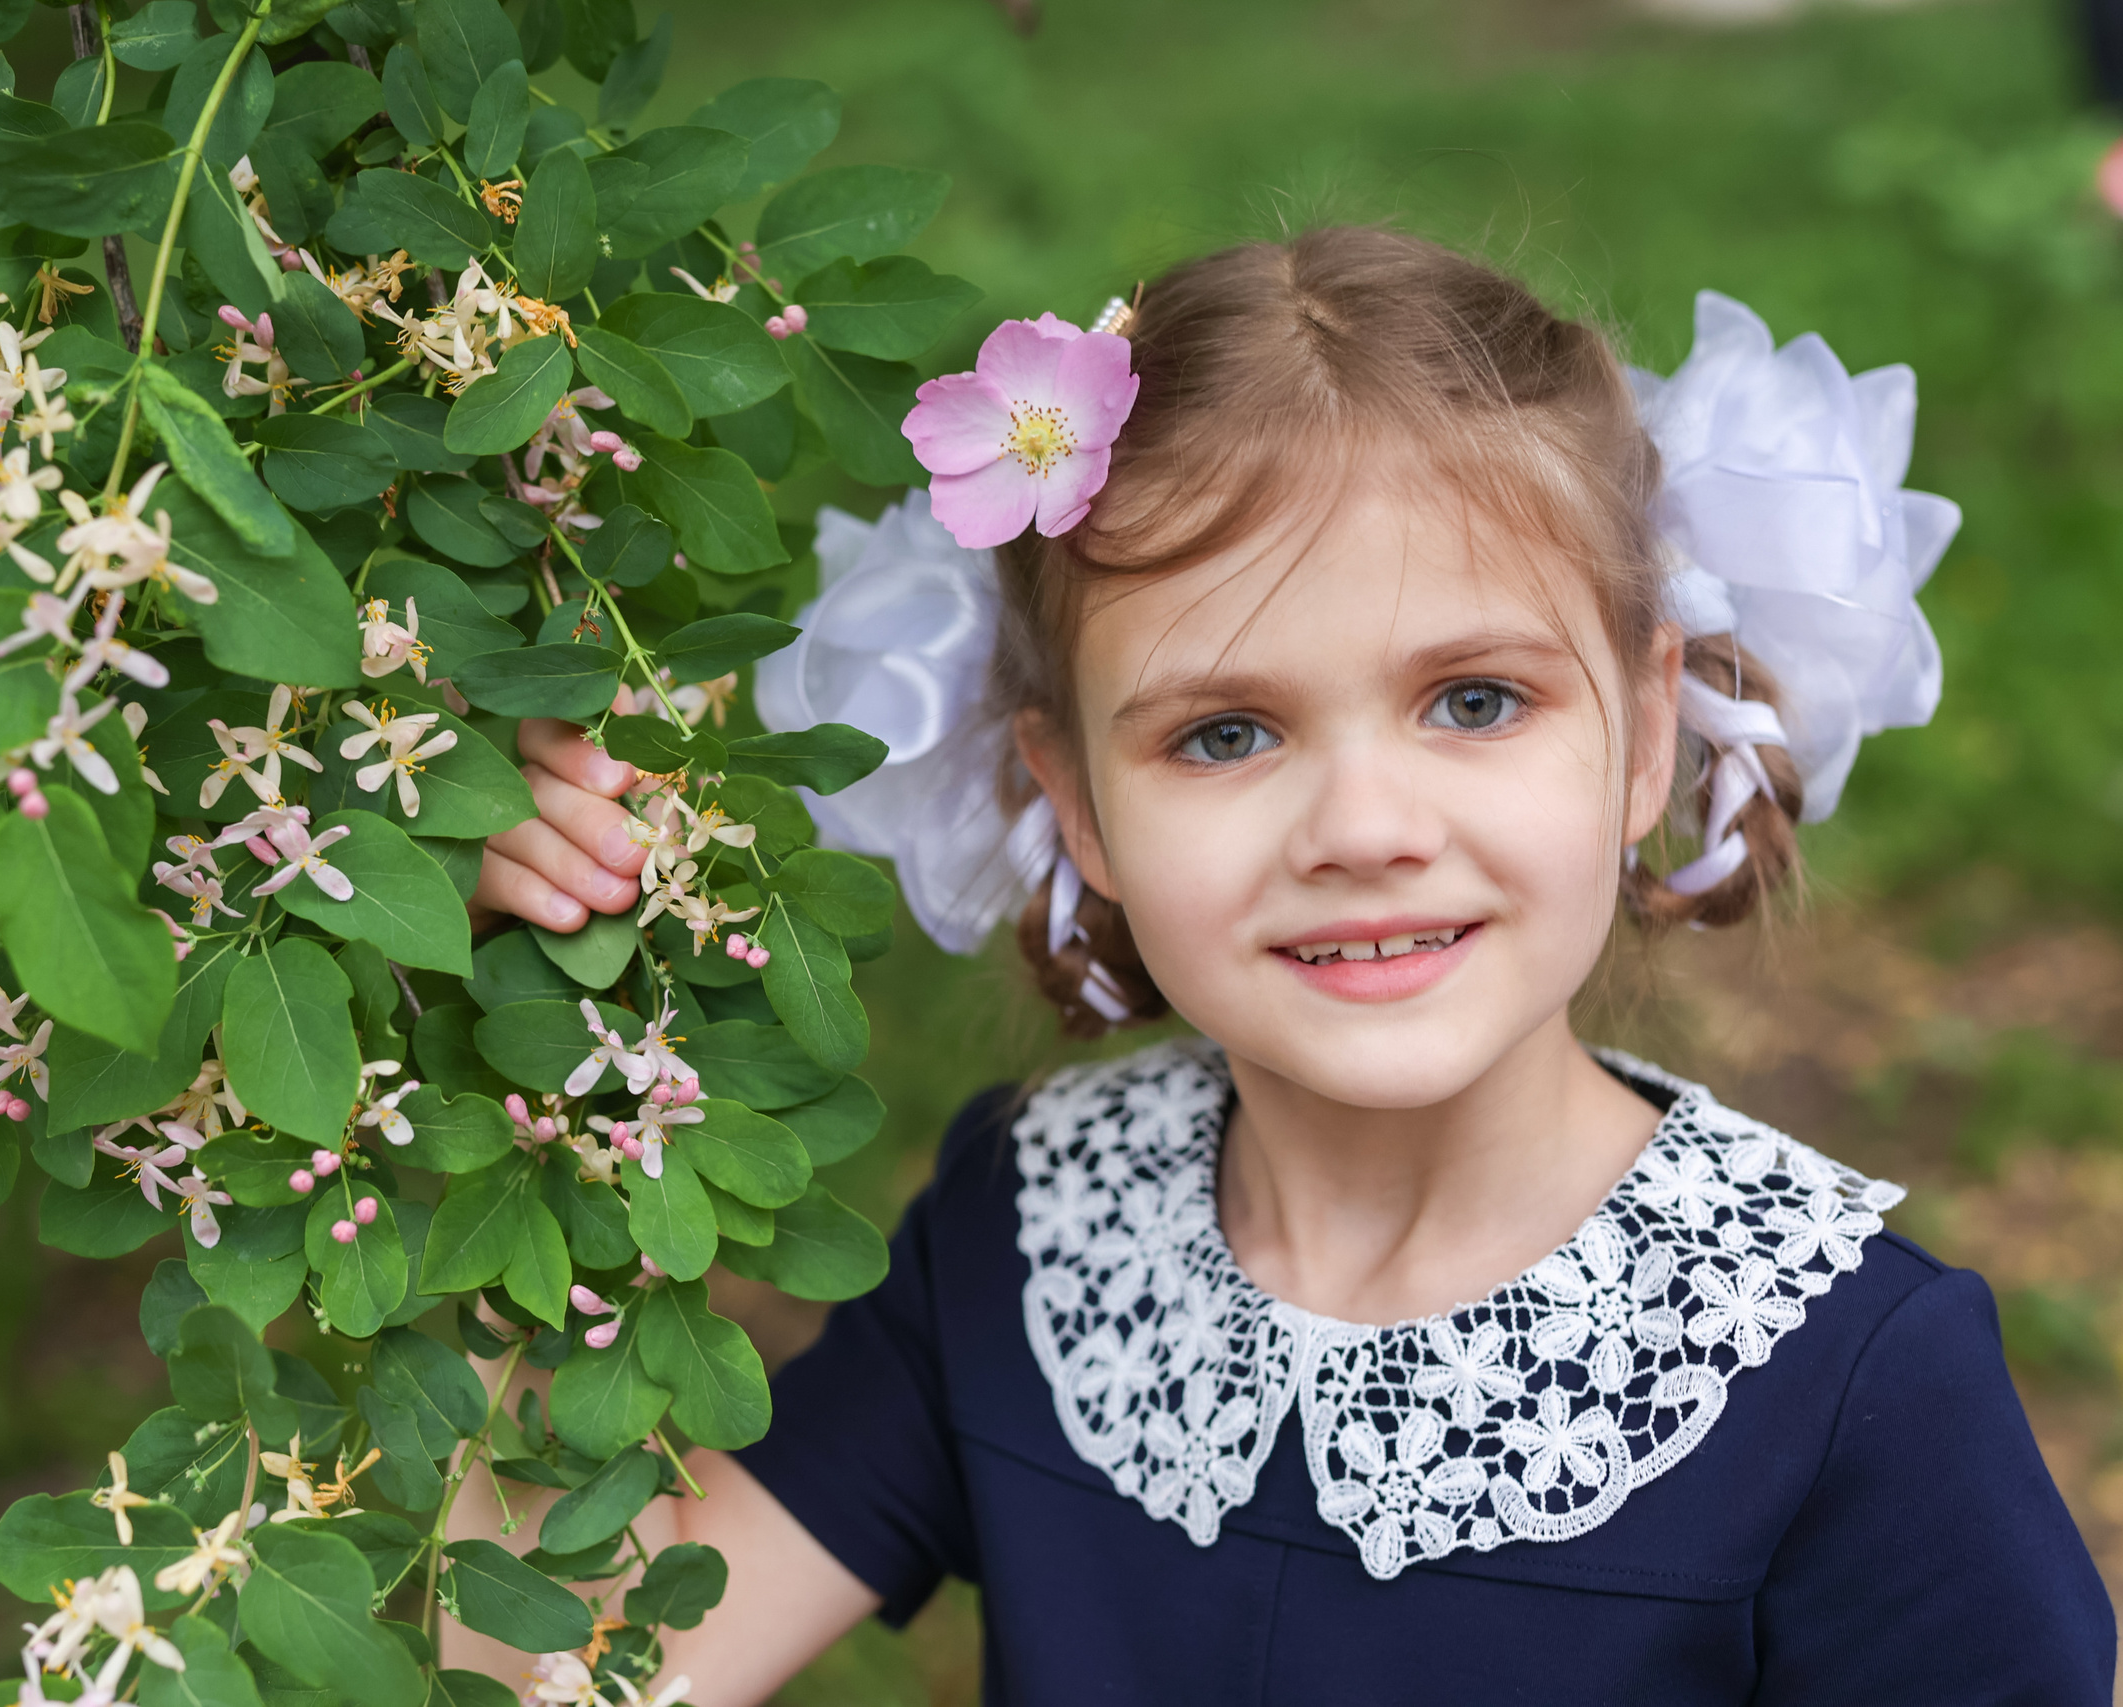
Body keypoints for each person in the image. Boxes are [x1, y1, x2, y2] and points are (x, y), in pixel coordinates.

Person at [451, 229, 2118, 1703]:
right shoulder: (1028, 1236)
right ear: (1076, 804)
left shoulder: (1843, 1378)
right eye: (1227, 732)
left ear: (1642, 741)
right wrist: (503, 1022)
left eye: (1475, 700)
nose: (1365, 826)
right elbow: (575, 1673)